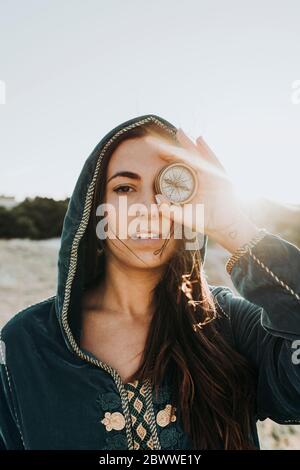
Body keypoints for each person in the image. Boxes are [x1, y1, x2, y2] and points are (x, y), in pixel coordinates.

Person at [0, 114, 300, 450]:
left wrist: (233, 224)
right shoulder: (26, 342)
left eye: (170, 185)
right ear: (95, 207)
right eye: (125, 188)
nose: (148, 208)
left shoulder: (230, 325)